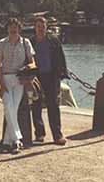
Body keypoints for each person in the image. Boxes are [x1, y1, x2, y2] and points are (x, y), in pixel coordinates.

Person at [0, 18, 35, 154]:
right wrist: (1, 84)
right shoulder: (1, 44)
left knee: (12, 109)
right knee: (8, 107)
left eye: (15, 27)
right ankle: (17, 140)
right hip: (5, 78)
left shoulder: (25, 43)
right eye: (11, 27)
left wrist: (28, 73)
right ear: (7, 29)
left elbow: (32, 62)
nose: (13, 30)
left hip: (19, 79)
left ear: (19, 29)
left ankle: (7, 141)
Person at [30, 17, 67, 145]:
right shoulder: (31, 42)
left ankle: (57, 135)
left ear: (46, 28)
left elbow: (61, 58)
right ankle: (39, 134)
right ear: (35, 28)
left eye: (43, 26)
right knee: (36, 106)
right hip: (36, 77)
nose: (40, 29)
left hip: (51, 76)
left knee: (53, 106)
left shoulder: (54, 41)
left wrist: (62, 73)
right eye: (38, 26)